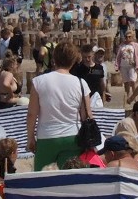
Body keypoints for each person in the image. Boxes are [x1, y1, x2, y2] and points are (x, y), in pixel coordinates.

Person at [26, 42, 91, 171]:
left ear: (54, 59)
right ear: (73, 61)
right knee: (69, 179)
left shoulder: (39, 81)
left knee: (42, 180)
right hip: (73, 136)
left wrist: (30, 137)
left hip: (47, 136)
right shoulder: (81, 83)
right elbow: (87, 115)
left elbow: (32, 114)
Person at [115, 30, 138, 100]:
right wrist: (117, 65)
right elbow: (118, 56)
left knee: (133, 81)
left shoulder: (135, 45)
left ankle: (135, 96)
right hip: (123, 66)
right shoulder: (122, 45)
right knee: (126, 82)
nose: (127, 38)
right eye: (126, 37)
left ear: (132, 37)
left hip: (132, 66)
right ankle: (128, 96)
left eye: (129, 37)